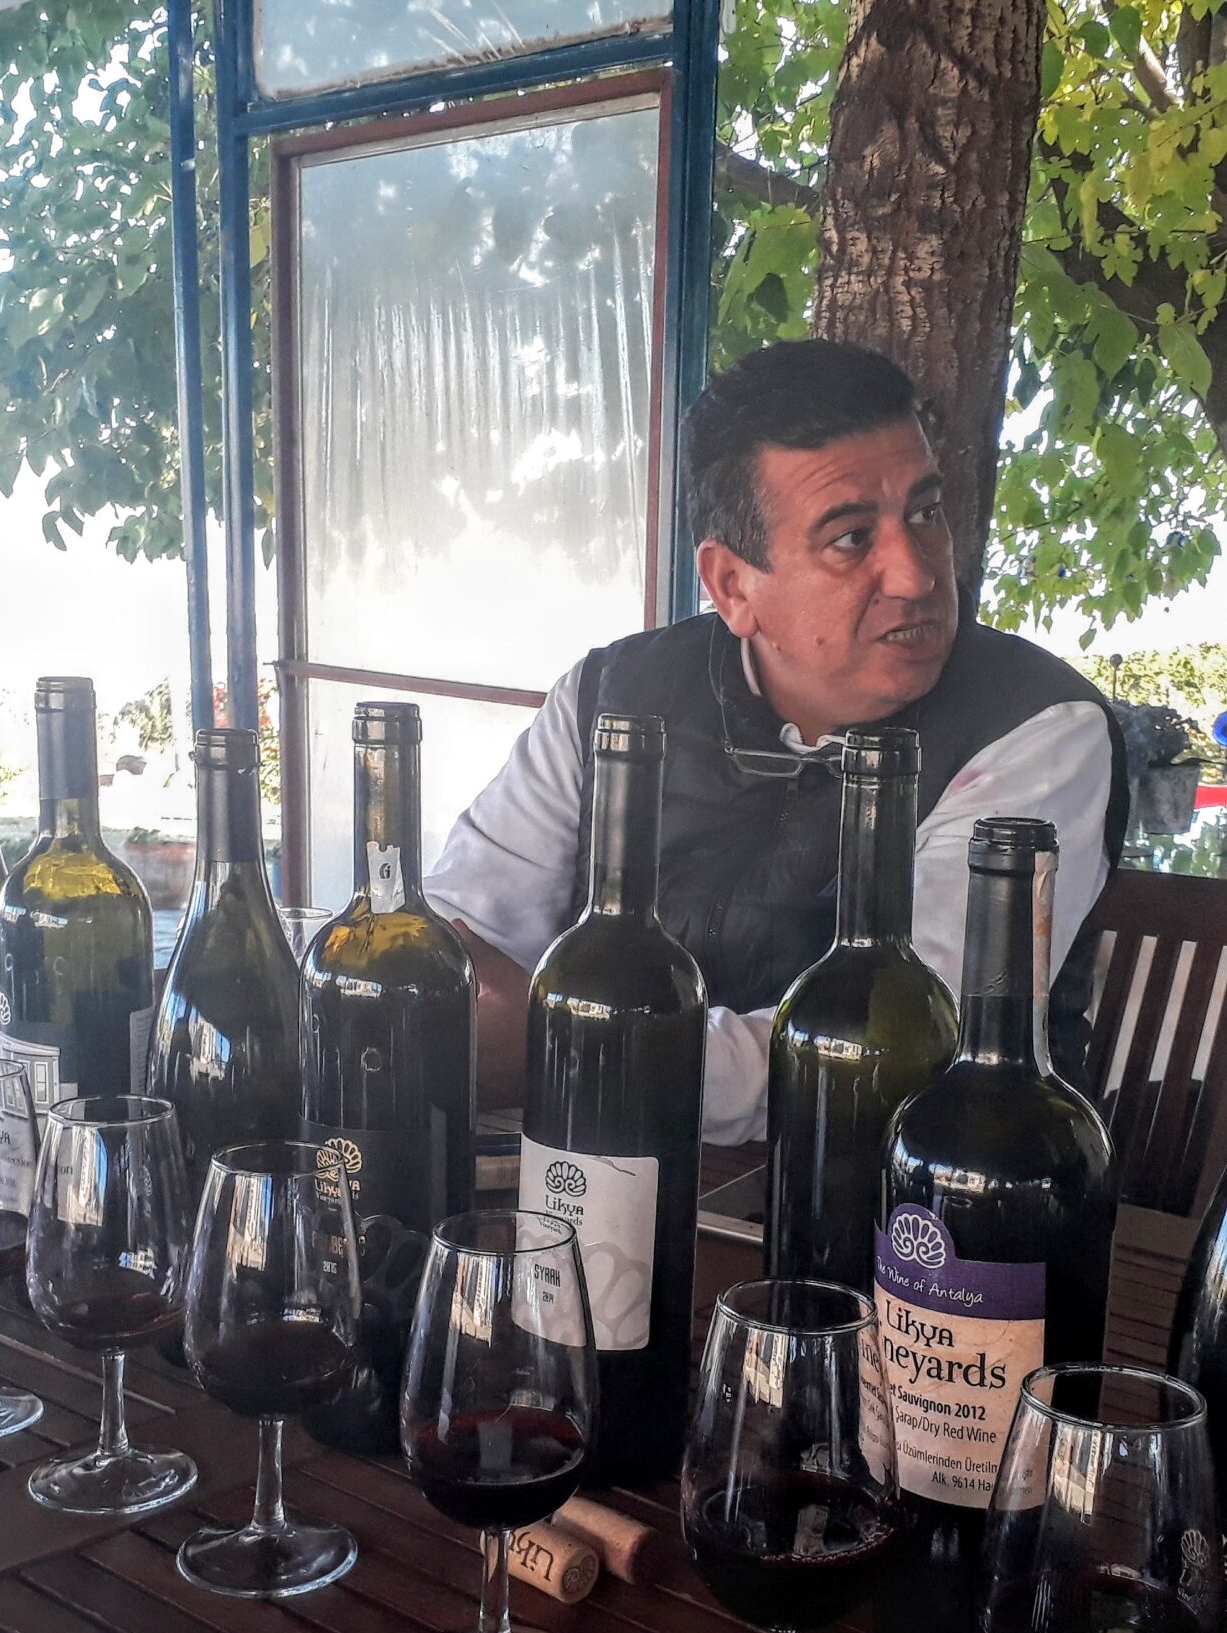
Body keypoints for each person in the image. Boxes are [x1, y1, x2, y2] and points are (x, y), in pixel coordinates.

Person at [428, 338, 1126, 1142]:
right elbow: (465, 944)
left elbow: (894, 1051)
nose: (919, 574)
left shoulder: (1037, 729)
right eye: (852, 538)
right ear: (732, 585)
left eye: (926, 514)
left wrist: (579, 1047)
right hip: (617, 1167)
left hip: (923, 1218)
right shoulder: (611, 698)